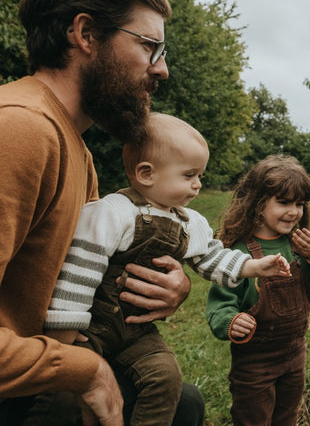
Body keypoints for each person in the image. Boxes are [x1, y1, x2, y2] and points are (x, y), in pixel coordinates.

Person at [0, 0, 197, 426]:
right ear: (85, 34)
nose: (162, 69)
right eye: (150, 47)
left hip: (34, 374)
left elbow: (82, 265)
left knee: (183, 403)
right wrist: (85, 370)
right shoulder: (20, 129)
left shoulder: (75, 148)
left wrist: (174, 283)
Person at [44, 113, 292, 426]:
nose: (198, 184)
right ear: (146, 174)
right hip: (90, 328)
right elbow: (81, 268)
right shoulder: (112, 213)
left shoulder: (189, 222)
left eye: (200, 175)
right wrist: (64, 330)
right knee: (59, 395)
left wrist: (254, 266)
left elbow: (210, 258)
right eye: (189, 175)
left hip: (135, 331)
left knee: (166, 375)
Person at [206, 155, 310, 426]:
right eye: (284, 202)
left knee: (287, 417)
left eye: (299, 204)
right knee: (253, 419)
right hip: (254, 363)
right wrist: (230, 321)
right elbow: (219, 304)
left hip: (294, 354)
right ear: (257, 203)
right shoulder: (240, 253)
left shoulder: (298, 245)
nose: (294, 212)